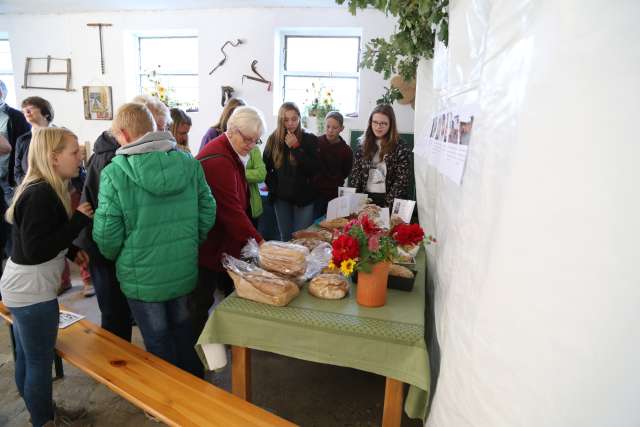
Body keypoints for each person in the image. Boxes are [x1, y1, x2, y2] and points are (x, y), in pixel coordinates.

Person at [93, 103, 215, 377]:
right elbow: (208, 208)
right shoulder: (187, 162)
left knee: (158, 338)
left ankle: (168, 400)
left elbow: (107, 233)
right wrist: (191, 240)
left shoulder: (115, 172)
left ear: (123, 134)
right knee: (184, 330)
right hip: (182, 268)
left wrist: (116, 254)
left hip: (141, 276)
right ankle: (195, 385)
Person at [0, 127, 92, 427]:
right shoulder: (41, 193)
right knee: (38, 362)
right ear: (54, 158)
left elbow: (38, 237)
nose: (80, 157)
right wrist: (78, 219)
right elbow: (37, 248)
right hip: (32, 291)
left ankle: (43, 414)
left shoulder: (42, 187)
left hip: (22, 286)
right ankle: (44, 421)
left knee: (28, 358)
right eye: (74, 152)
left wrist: (69, 251)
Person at [77, 95, 173, 340]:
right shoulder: (109, 159)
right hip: (106, 252)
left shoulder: (128, 154)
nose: (158, 136)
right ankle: (116, 370)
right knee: (114, 316)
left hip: (126, 251)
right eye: (156, 128)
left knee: (130, 313)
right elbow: (107, 221)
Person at [194, 106, 265, 337]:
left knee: (225, 295)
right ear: (232, 130)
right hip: (209, 244)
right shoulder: (218, 160)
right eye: (248, 139)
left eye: (256, 141)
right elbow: (231, 210)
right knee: (200, 303)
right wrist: (260, 243)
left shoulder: (232, 152)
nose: (251, 146)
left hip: (223, 242)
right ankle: (197, 353)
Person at [263, 102, 320, 241]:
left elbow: (314, 169)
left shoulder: (310, 139)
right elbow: (266, 166)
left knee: (302, 240)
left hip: (304, 198)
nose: (290, 123)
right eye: (286, 120)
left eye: (294, 119)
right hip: (281, 198)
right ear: (280, 121)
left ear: (300, 118)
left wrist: (296, 147)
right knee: (286, 238)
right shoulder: (273, 139)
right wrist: (274, 187)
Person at [349, 104, 412, 207]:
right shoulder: (362, 144)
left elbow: (401, 181)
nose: (378, 127)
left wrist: (387, 205)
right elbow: (356, 176)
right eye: (375, 122)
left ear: (391, 125)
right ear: (370, 123)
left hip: (389, 201)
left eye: (383, 123)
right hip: (365, 199)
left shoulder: (401, 147)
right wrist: (358, 202)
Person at [312, 111, 353, 218]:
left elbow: (345, 172)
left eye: (335, 127)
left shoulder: (346, 150)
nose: (330, 130)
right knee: (315, 224)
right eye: (328, 126)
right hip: (316, 193)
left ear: (341, 128)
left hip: (335, 194)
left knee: (332, 223)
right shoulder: (315, 142)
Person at [14, 96, 54, 185]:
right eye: (24, 111)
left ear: (46, 113)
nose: (26, 112)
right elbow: (17, 172)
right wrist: (27, 187)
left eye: (31, 109)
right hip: (29, 190)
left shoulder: (60, 136)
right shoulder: (22, 140)